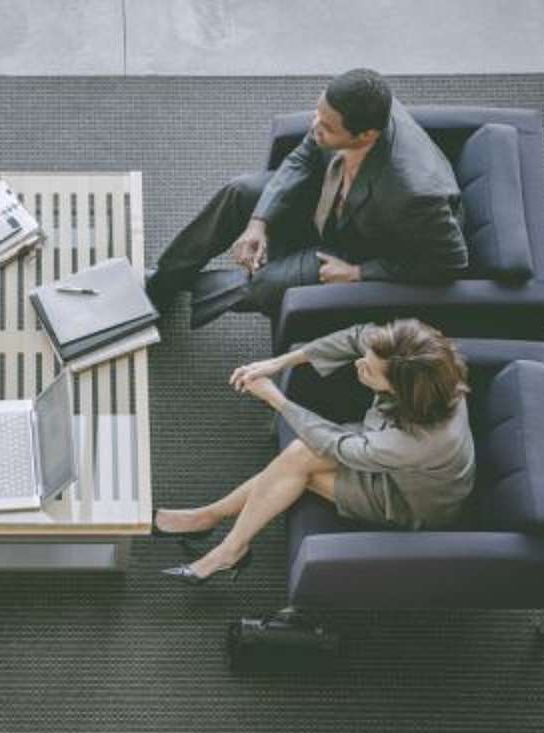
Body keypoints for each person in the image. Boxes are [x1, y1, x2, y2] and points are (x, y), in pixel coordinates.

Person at [155, 319, 475, 583]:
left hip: (404, 498)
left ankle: (224, 543)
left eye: (369, 370)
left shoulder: (416, 442)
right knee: (297, 457)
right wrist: (278, 363)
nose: (358, 364)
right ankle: (213, 526)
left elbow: (335, 446)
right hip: (380, 448)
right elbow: (356, 337)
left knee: (300, 467)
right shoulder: (410, 358)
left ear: (400, 389)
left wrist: (276, 399)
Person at [145, 68, 468, 329]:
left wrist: (360, 273)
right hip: (329, 199)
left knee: (265, 285)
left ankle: (197, 290)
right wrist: (259, 222)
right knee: (240, 191)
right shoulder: (357, 108)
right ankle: (164, 282)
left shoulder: (415, 196)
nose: (314, 127)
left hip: (359, 246)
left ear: (366, 135)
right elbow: (302, 159)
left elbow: (449, 263)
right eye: (317, 114)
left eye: (326, 126)